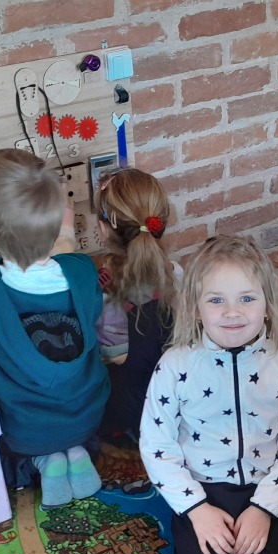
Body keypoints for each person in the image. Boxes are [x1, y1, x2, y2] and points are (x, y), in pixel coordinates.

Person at [139, 234, 278, 554]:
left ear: (267, 304)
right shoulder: (175, 366)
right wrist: (196, 509)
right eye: (216, 300)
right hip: (203, 486)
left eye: (247, 299)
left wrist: (264, 508)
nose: (232, 312)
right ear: (195, 308)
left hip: (265, 481)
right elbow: (156, 444)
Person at [0, 148, 108, 508]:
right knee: (68, 426)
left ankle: (44, 462)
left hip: (24, 428)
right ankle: (77, 453)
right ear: (57, 224)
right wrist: (63, 234)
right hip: (87, 416)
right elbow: (67, 258)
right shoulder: (82, 272)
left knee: (15, 433)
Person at [90, 167, 182, 442]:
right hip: (175, 396)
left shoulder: (101, 291)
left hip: (130, 406)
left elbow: (108, 354)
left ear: (104, 228)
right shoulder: (175, 274)